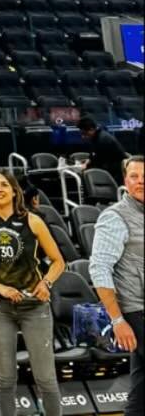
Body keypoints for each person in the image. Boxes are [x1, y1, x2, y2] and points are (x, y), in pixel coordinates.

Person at [0, 168, 64, 416]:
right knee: (6, 378)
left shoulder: (33, 221)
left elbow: (58, 261)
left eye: (4, 185)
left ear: (14, 191)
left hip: (34, 305)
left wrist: (46, 284)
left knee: (45, 378)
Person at [90, 155, 144, 416]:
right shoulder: (114, 217)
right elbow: (99, 269)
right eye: (135, 176)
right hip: (137, 311)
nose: (141, 181)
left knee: (141, 389)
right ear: (125, 180)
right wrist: (117, 319)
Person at [77, 115, 129, 182]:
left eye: (84, 134)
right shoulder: (96, 137)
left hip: (117, 173)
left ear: (92, 129)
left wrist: (86, 166)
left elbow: (99, 161)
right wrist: (88, 161)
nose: (83, 137)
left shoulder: (103, 140)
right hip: (109, 169)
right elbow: (93, 154)